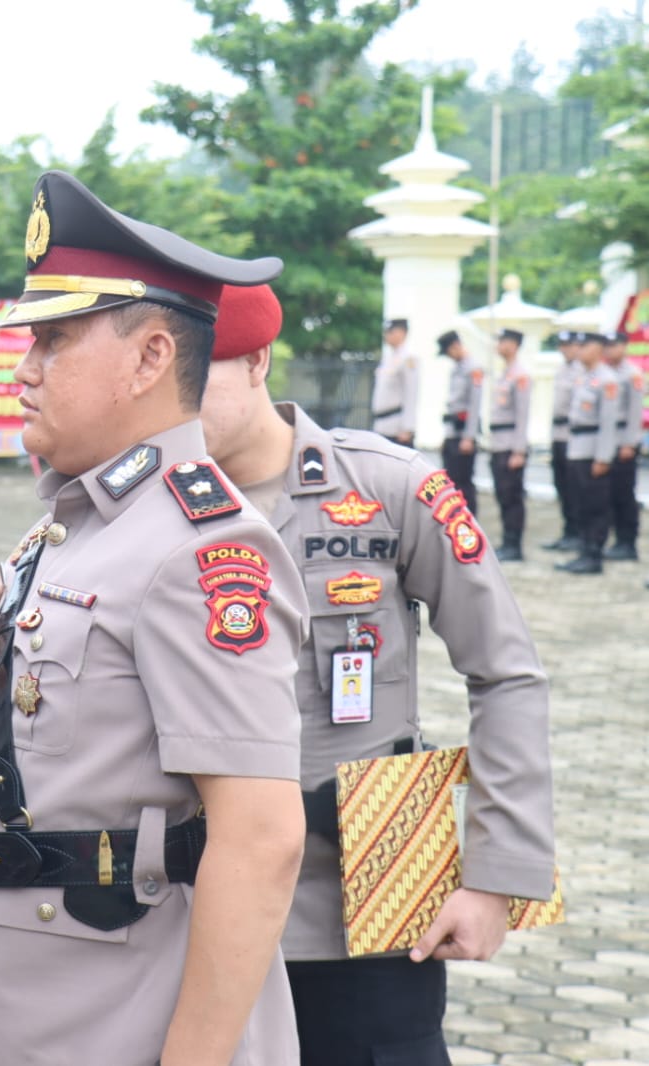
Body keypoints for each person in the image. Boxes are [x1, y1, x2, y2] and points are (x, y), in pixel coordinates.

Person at [0, 169, 309, 1066]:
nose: (23, 369)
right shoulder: (71, 526)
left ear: (150, 358)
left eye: (52, 341)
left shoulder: (200, 548)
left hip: (101, 1028)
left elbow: (261, 835)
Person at [199, 283, 555, 1066]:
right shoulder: (144, 507)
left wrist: (497, 876)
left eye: (202, 373)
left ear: (257, 360)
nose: (176, 403)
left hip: (367, 905)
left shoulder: (388, 489)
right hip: (191, 910)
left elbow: (505, 674)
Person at [556, 332, 619, 575]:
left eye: (585, 346)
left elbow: (608, 422)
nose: (579, 350)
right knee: (580, 502)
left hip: (593, 452)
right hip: (576, 449)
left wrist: (603, 457)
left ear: (598, 349)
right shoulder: (583, 378)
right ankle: (583, 550)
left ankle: (594, 554)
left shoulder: (607, 380)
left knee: (595, 505)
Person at [488, 328, 532, 562]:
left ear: (513, 345)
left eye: (502, 341)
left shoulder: (520, 375)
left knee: (512, 497)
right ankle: (507, 541)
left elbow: (523, 416)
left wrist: (519, 450)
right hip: (498, 444)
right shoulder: (506, 374)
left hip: (510, 446)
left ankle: (514, 545)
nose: (498, 345)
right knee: (503, 496)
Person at [541, 331, 582, 552]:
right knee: (561, 486)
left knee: (575, 488)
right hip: (558, 435)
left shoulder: (582, 372)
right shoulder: (561, 371)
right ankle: (568, 531)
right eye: (562, 345)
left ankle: (577, 532)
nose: (564, 349)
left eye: (569, 344)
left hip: (573, 437)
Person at [603, 330, 641, 561]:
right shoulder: (607, 374)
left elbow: (636, 412)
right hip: (610, 442)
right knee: (611, 494)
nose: (609, 349)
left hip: (624, 442)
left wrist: (629, 443)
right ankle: (618, 540)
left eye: (614, 345)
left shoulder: (632, 374)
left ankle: (628, 543)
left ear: (624, 346)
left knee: (625, 494)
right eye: (607, 345)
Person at [437, 329, 482, 514]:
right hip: (453, 432)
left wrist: (469, 437)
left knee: (464, 483)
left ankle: (469, 520)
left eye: (448, 352)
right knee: (451, 481)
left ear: (455, 347)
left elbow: (474, 405)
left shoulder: (474, 369)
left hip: (463, 434)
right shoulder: (457, 368)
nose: (448, 357)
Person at [372, 317, 418, 446]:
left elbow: (411, 393)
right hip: (382, 425)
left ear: (401, 333)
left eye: (390, 331)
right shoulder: (388, 357)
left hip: (396, 428)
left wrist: (407, 428)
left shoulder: (409, 358)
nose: (386, 335)